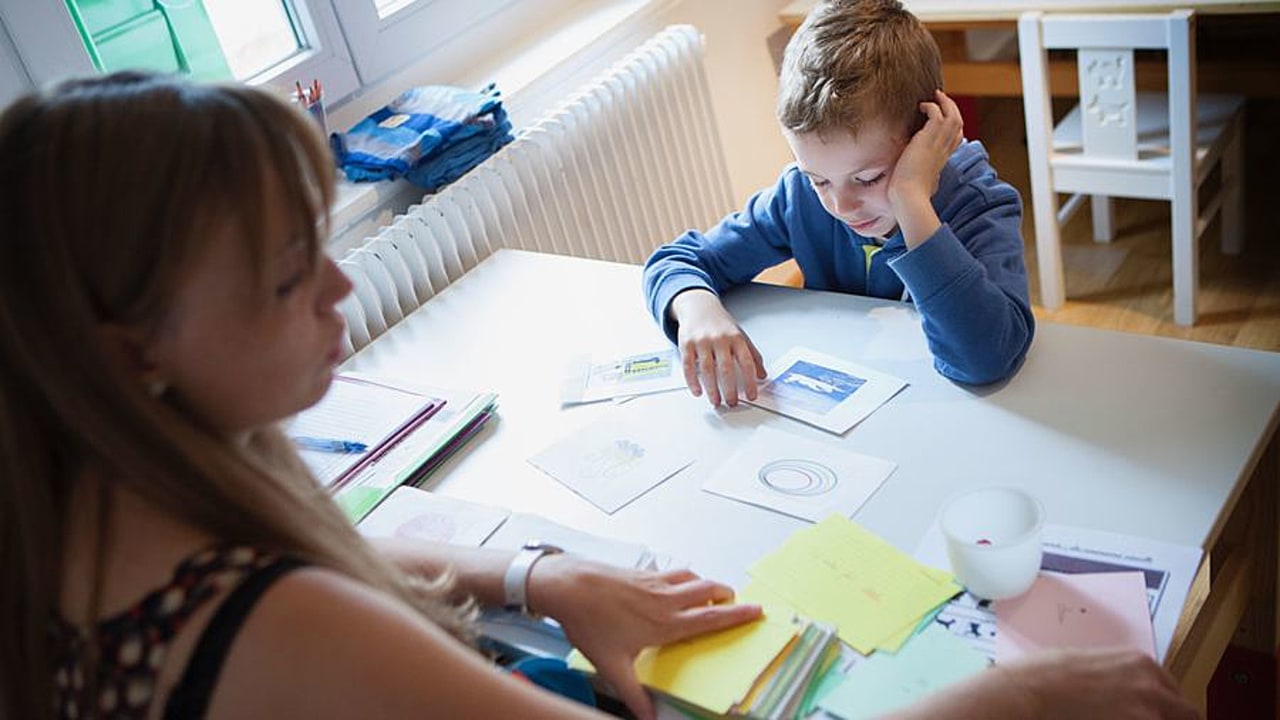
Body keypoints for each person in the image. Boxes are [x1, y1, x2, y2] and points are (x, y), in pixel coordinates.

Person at [0, 72, 1195, 720]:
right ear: (125, 355)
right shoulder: (273, 623)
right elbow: (681, 259)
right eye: (278, 276)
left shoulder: (85, 515)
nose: (341, 283)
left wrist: (533, 573)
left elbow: (985, 352)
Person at [642, 0, 1036, 407]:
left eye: (868, 178)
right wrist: (696, 307)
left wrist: (911, 201)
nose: (842, 205)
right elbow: (679, 260)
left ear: (926, 136)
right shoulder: (798, 197)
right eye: (819, 179)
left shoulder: (978, 204)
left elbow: (986, 360)